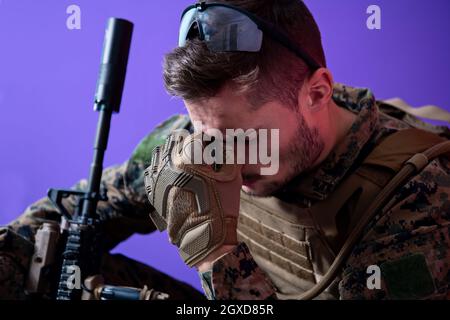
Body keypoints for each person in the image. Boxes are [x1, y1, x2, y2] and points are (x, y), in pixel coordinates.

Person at [1, 0, 450, 300]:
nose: (226, 157)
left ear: (317, 93)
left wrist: (216, 253)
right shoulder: (206, 136)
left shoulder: (418, 197)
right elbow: (81, 210)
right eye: (209, 135)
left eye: (245, 137)